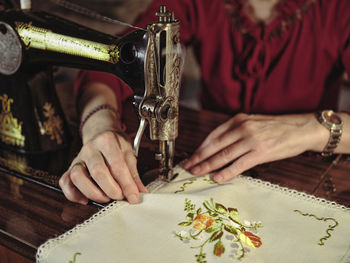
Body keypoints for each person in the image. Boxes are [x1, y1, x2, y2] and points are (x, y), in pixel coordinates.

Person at [59, 0, 350, 205]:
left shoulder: (339, 9)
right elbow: (112, 61)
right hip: (216, 161)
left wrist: (311, 129)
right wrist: (100, 127)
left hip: (309, 174)